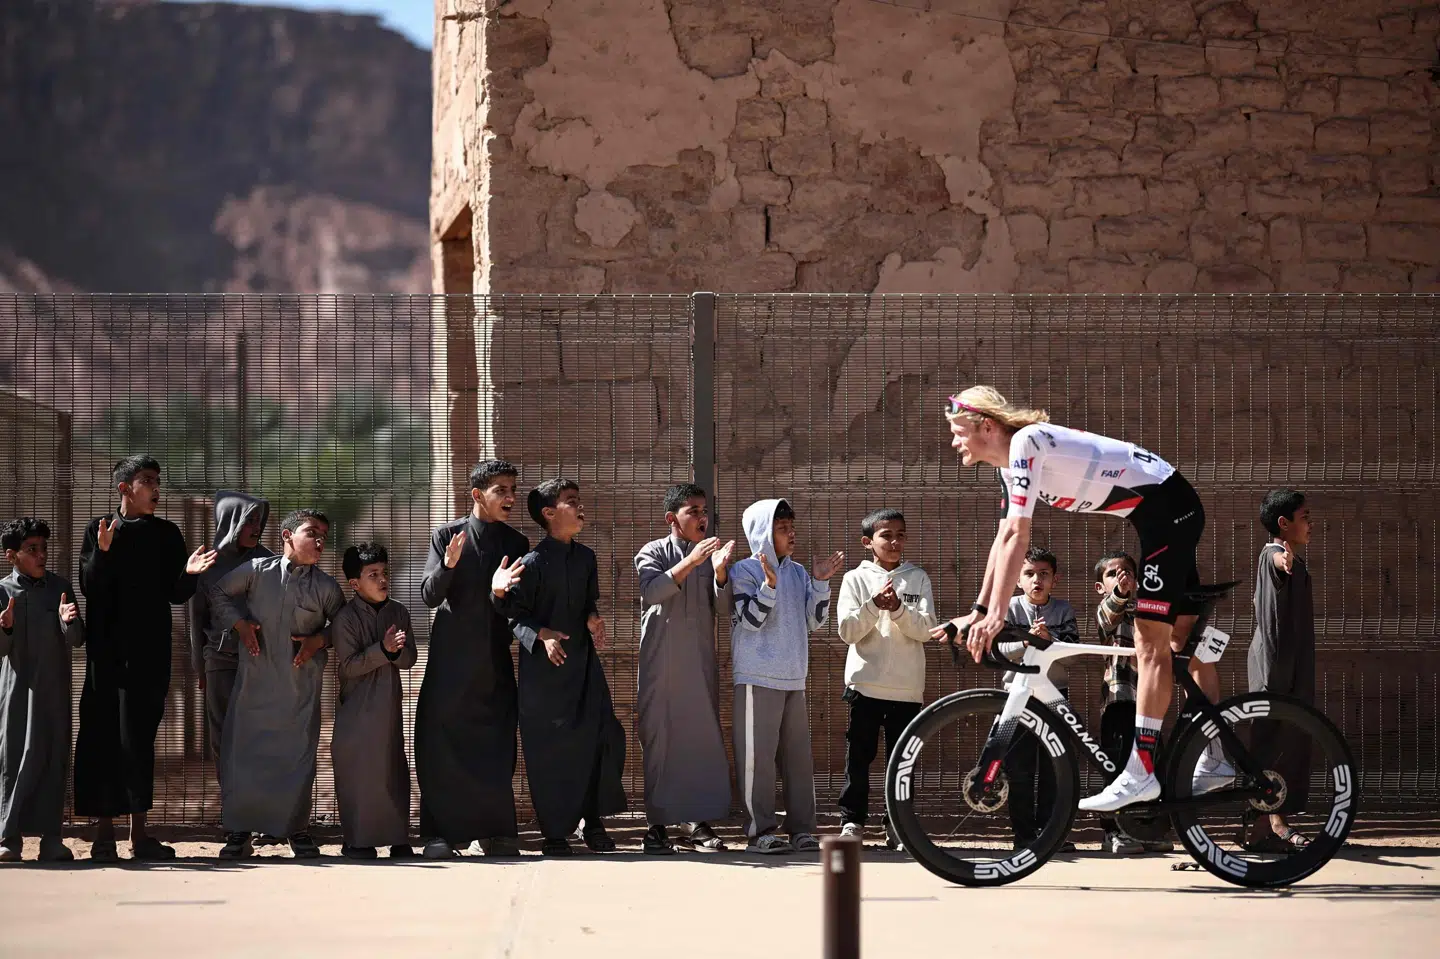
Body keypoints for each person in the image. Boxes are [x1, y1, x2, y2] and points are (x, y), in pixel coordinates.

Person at [935, 387, 1227, 812]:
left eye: (958, 430)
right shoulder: (1012, 463)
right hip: (1158, 511)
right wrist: (980, 610)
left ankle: (1141, 772)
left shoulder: (1025, 443)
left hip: (1168, 512)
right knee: (1179, 649)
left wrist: (997, 615)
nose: (953, 441)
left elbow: (1020, 535)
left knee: (1149, 646)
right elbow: (1003, 539)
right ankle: (1218, 753)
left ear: (986, 426)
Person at [73, 455, 216, 862]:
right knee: (102, 737)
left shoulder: (168, 534)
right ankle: (103, 836)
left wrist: (189, 574)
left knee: (139, 740)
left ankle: (139, 835)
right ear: (124, 488)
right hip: (108, 656)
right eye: (147, 480)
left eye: (157, 479)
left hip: (150, 654)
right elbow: (91, 589)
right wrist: (101, 554)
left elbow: (175, 594)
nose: (156, 488)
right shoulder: (100, 530)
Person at [495, 479, 627, 856]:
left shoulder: (587, 558)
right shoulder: (531, 564)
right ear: (550, 514)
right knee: (551, 751)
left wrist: (592, 618)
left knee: (602, 737)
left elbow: (588, 603)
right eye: (571, 502)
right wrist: (542, 635)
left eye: (579, 500)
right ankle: (555, 833)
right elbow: (512, 616)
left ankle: (594, 821)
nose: (580, 506)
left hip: (584, 668)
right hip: (544, 677)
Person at [212, 509, 343, 860]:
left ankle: (296, 830)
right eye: (312, 532)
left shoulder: (327, 587)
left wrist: (320, 640)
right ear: (287, 536)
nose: (319, 541)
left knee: (297, 758)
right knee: (245, 756)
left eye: (324, 536)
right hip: (254, 684)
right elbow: (219, 593)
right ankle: (240, 832)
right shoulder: (256, 572)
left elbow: (344, 626)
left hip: (300, 688)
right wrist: (239, 625)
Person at [415, 459, 530, 859]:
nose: (511, 498)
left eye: (513, 489)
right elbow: (429, 595)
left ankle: (495, 832)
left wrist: (500, 593)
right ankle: (442, 835)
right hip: (450, 663)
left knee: (495, 746)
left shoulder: (516, 545)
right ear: (478, 495)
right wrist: (448, 565)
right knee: (443, 747)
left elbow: (516, 608)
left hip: (493, 663)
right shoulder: (446, 536)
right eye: (501, 490)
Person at [730, 497, 843, 855]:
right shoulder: (743, 571)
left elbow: (815, 621)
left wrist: (821, 583)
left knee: (798, 758)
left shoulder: (797, 572)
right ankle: (759, 830)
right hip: (756, 676)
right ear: (763, 533)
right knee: (757, 759)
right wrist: (769, 585)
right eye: (782, 528)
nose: (791, 534)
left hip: (794, 676)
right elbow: (749, 621)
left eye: (792, 527)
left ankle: (802, 830)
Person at [634, 483, 735, 855]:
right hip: (662, 662)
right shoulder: (653, 551)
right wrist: (693, 561)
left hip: (699, 663)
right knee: (660, 740)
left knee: (698, 741)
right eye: (692, 511)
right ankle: (657, 825)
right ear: (671, 519)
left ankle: (695, 821)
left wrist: (721, 574)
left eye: (704, 510)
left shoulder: (713, 556)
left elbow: (724, 609)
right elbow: (653, 591)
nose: (702, 518)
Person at [835, 508, 934, 850]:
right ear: (868, 542)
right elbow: (847, 631)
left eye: (901, 535)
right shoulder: (854, 579)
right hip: (865, 686)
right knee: (858, 759)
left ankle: (898, 825)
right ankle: (852, 822)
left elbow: (926, 630)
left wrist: (898, 610)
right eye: (886, 536)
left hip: (907, 690)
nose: (894, 542)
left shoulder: (918, 578)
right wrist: (874, 606)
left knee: (901, 761)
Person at [0, 518, 85, 862]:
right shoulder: (3, 591)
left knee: (53, 759)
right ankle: (9, 839)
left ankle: (52, 838)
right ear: (12, 555)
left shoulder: (60, 588)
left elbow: (78, 640)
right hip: (17, 691)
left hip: (53, 691)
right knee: (14, 759)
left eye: (43, 549)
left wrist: (69, 621)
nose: (41, 556)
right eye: (31, 550)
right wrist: (5, 627)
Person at [331, 542, 417, 860]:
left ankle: (398, 839)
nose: (382, 580)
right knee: (358, 775)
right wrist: (384, 650)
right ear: (355, 583)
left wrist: (395, 652)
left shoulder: (399, 612)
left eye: (384, 573)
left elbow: (409, 658)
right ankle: (357, 841)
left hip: (390, 712)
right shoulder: (346, 619)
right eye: (373, 574)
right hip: (357, 713)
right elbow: (350, 665)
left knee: (393, 772)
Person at [1244, 489, 1316, 851]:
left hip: (1290, 668)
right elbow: (1275, 564)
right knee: (1271, 747)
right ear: (1284, 524)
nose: (1311, 522)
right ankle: (1269, 826)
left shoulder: (1292, 558)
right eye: (1304, 516)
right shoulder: (1273, 554)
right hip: (1274, 670)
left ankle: (1266, 827)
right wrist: (1282, 562)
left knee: (1283, 745)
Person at [1092, 549, 1172, 855]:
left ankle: (1151, 830)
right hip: (1119, 699)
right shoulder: (1108, 608)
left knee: (1151, 763)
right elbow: (1107, 619)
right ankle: (1115, 832)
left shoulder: (1146, 610)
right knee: (1117, 765)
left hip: (1149, 702)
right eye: (1112, 574)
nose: (1121, 577)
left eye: (1126, 573)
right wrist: (1119, 595)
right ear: (1101, 586)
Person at [188, 491, 271, 785]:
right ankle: (232, 807)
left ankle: (259, 806)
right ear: (230, 521)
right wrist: (200, 666)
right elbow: (196, 618)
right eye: (249, 521)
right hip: (220, 660)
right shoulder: (206, 564)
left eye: (259, 521)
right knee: (223, 734)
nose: (256, 527)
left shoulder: (268, 562)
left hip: (260, 660)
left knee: (259, 734)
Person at [1002, 546, 1078, 849]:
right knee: (1018, 770)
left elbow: (1072, 657)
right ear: (1019, 579)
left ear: (1054, 579)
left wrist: (1051, 641)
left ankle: (1052, 834)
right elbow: (1001, 652)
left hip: (1054, 697)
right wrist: (1025, 641)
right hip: (1016, 697)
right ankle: (1023, 837)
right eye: (1030, 574)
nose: (1037, 580)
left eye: (1044, 574)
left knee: (1053, 768)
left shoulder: (1063, 611)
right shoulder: (1009, 609)